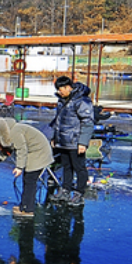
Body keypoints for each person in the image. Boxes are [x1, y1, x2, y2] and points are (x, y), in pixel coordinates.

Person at [0, 118, 54, 218]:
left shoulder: (14, 133)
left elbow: (21, 149)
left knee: (30, 180)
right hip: (32, 152)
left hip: (39, 152)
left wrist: (19, 167)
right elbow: (8, 149)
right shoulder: (7, 133)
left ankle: (28, 209)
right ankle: (23, 206)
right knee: (26, 179)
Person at [49, 76, 94, 206]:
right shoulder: (61, 101)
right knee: (66, 167)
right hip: (63, 140)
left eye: (61, 89)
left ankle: (79, 193)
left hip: (75, 141)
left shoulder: (82, 101)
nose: (59, 92)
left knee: (79, 167)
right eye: (58, 89)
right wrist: (54, 137)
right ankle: (65, 190)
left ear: (68, 87)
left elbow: (87, 122)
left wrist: (83, 142)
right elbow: (58, 121)